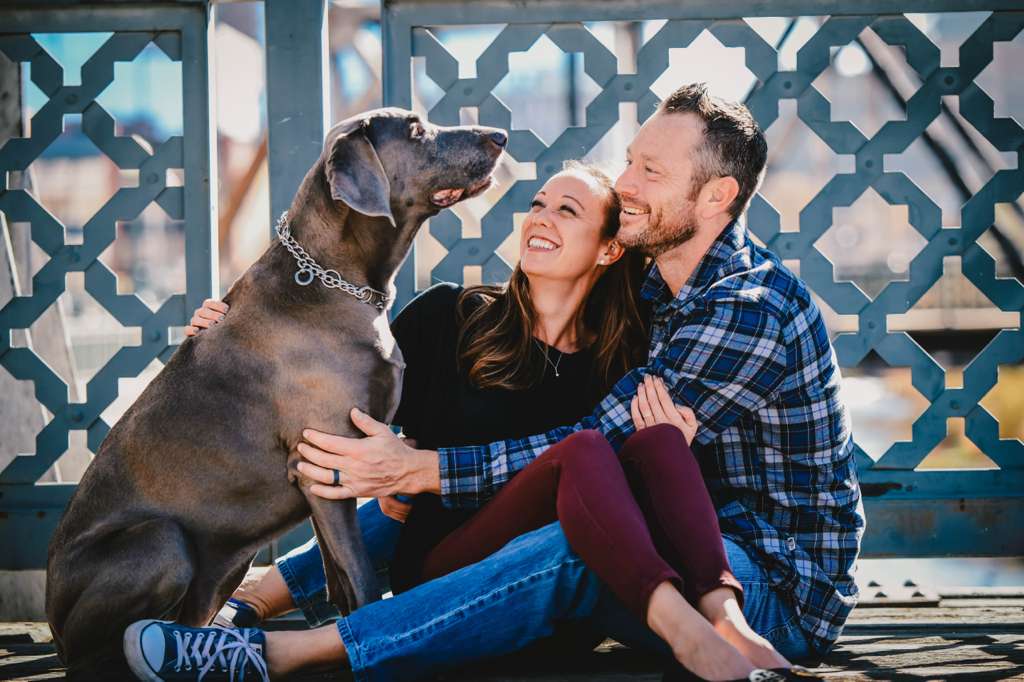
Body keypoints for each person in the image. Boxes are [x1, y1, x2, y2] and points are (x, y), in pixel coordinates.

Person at [125, 83, 862, 681]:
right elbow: (329, 405)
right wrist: (243, 334)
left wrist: (425, 467)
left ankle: (280, 656)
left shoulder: (742, 312)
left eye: (652, 174)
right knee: (585, 477)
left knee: (586, 508)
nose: (630, 184)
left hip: (776, 585)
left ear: (714, 198)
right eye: (631, 164)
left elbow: (595, 443)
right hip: (656, 548)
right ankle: (261, 602)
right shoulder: (652, 293)